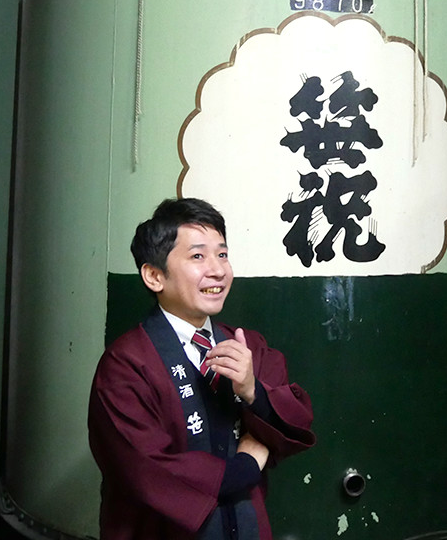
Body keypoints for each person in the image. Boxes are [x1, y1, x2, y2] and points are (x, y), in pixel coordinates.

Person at [88, 197, 315, 540]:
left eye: (222, 254)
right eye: (198, 256)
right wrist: (245, 468)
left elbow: (296, 421)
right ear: (154, 275)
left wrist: (254, 392)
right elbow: (144, 468)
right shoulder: (126, 365)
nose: (218, 269)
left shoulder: (246, 346)